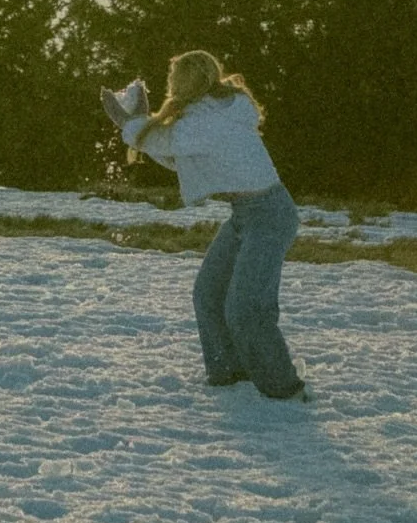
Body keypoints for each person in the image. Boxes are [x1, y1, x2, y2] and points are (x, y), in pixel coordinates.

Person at [104, 50, 306, 401]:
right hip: (245, 214)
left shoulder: (212, 118)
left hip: (270, 215)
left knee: (246, 308)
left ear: (183, 81)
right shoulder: (210, 112)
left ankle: (283, 389)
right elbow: (177, 153)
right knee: (208, 295)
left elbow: (174, 142)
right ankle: (229, 375)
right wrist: (139, 125)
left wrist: (131, 123)